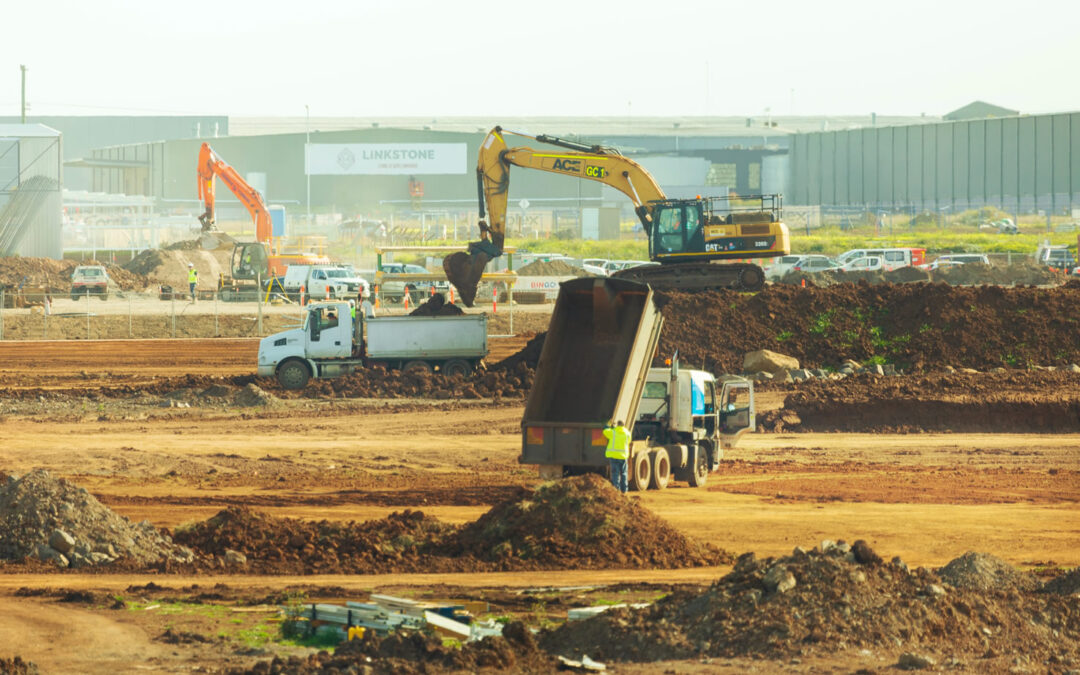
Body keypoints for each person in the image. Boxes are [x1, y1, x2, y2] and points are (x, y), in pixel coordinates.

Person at [602, 419, 631, 493]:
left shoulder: (613, 432)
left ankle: (616, 491)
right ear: (624, 425)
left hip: (614, 456)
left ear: (617, 425)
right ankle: (624, 491)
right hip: (623, 456)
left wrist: (608, 425)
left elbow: (605, 431)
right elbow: (629, 441)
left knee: (615, 474)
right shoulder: (627, 433)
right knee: (624, 473)